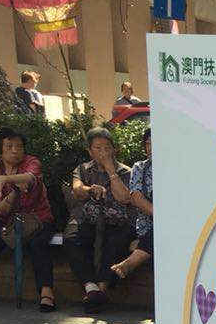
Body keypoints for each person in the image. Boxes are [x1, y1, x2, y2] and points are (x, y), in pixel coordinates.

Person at [0, 127, 57, 311]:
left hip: (37, 217)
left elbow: (30, 178)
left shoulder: (32, 162)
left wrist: (5, 180)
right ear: (0, 150)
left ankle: (46, 293)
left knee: (39, 243)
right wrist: (14, 192)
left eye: (19, 146)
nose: (15, 150)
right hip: (5, 220)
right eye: (9, 146)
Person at [64, 127, 135, 311]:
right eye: (98, 148)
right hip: (88, 219)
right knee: (72, 238)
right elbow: (77, 190)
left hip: (116, 221)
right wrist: (90, 190)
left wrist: (111, 171)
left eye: (107, 147)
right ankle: (91, 287)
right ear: (90, 151)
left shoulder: (126, 171)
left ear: (114, 149)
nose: (103, 152)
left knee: (115, 242)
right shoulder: (82, 169)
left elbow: (124, 198)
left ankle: (101, 289)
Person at [110, 128, 153, 281]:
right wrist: (161, 217)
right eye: (148, 143)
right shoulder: (140, 167)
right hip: (148, 224)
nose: (151, 147)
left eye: (155, 143)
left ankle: (129, 263)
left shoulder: (176, 167)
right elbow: (136, 198)